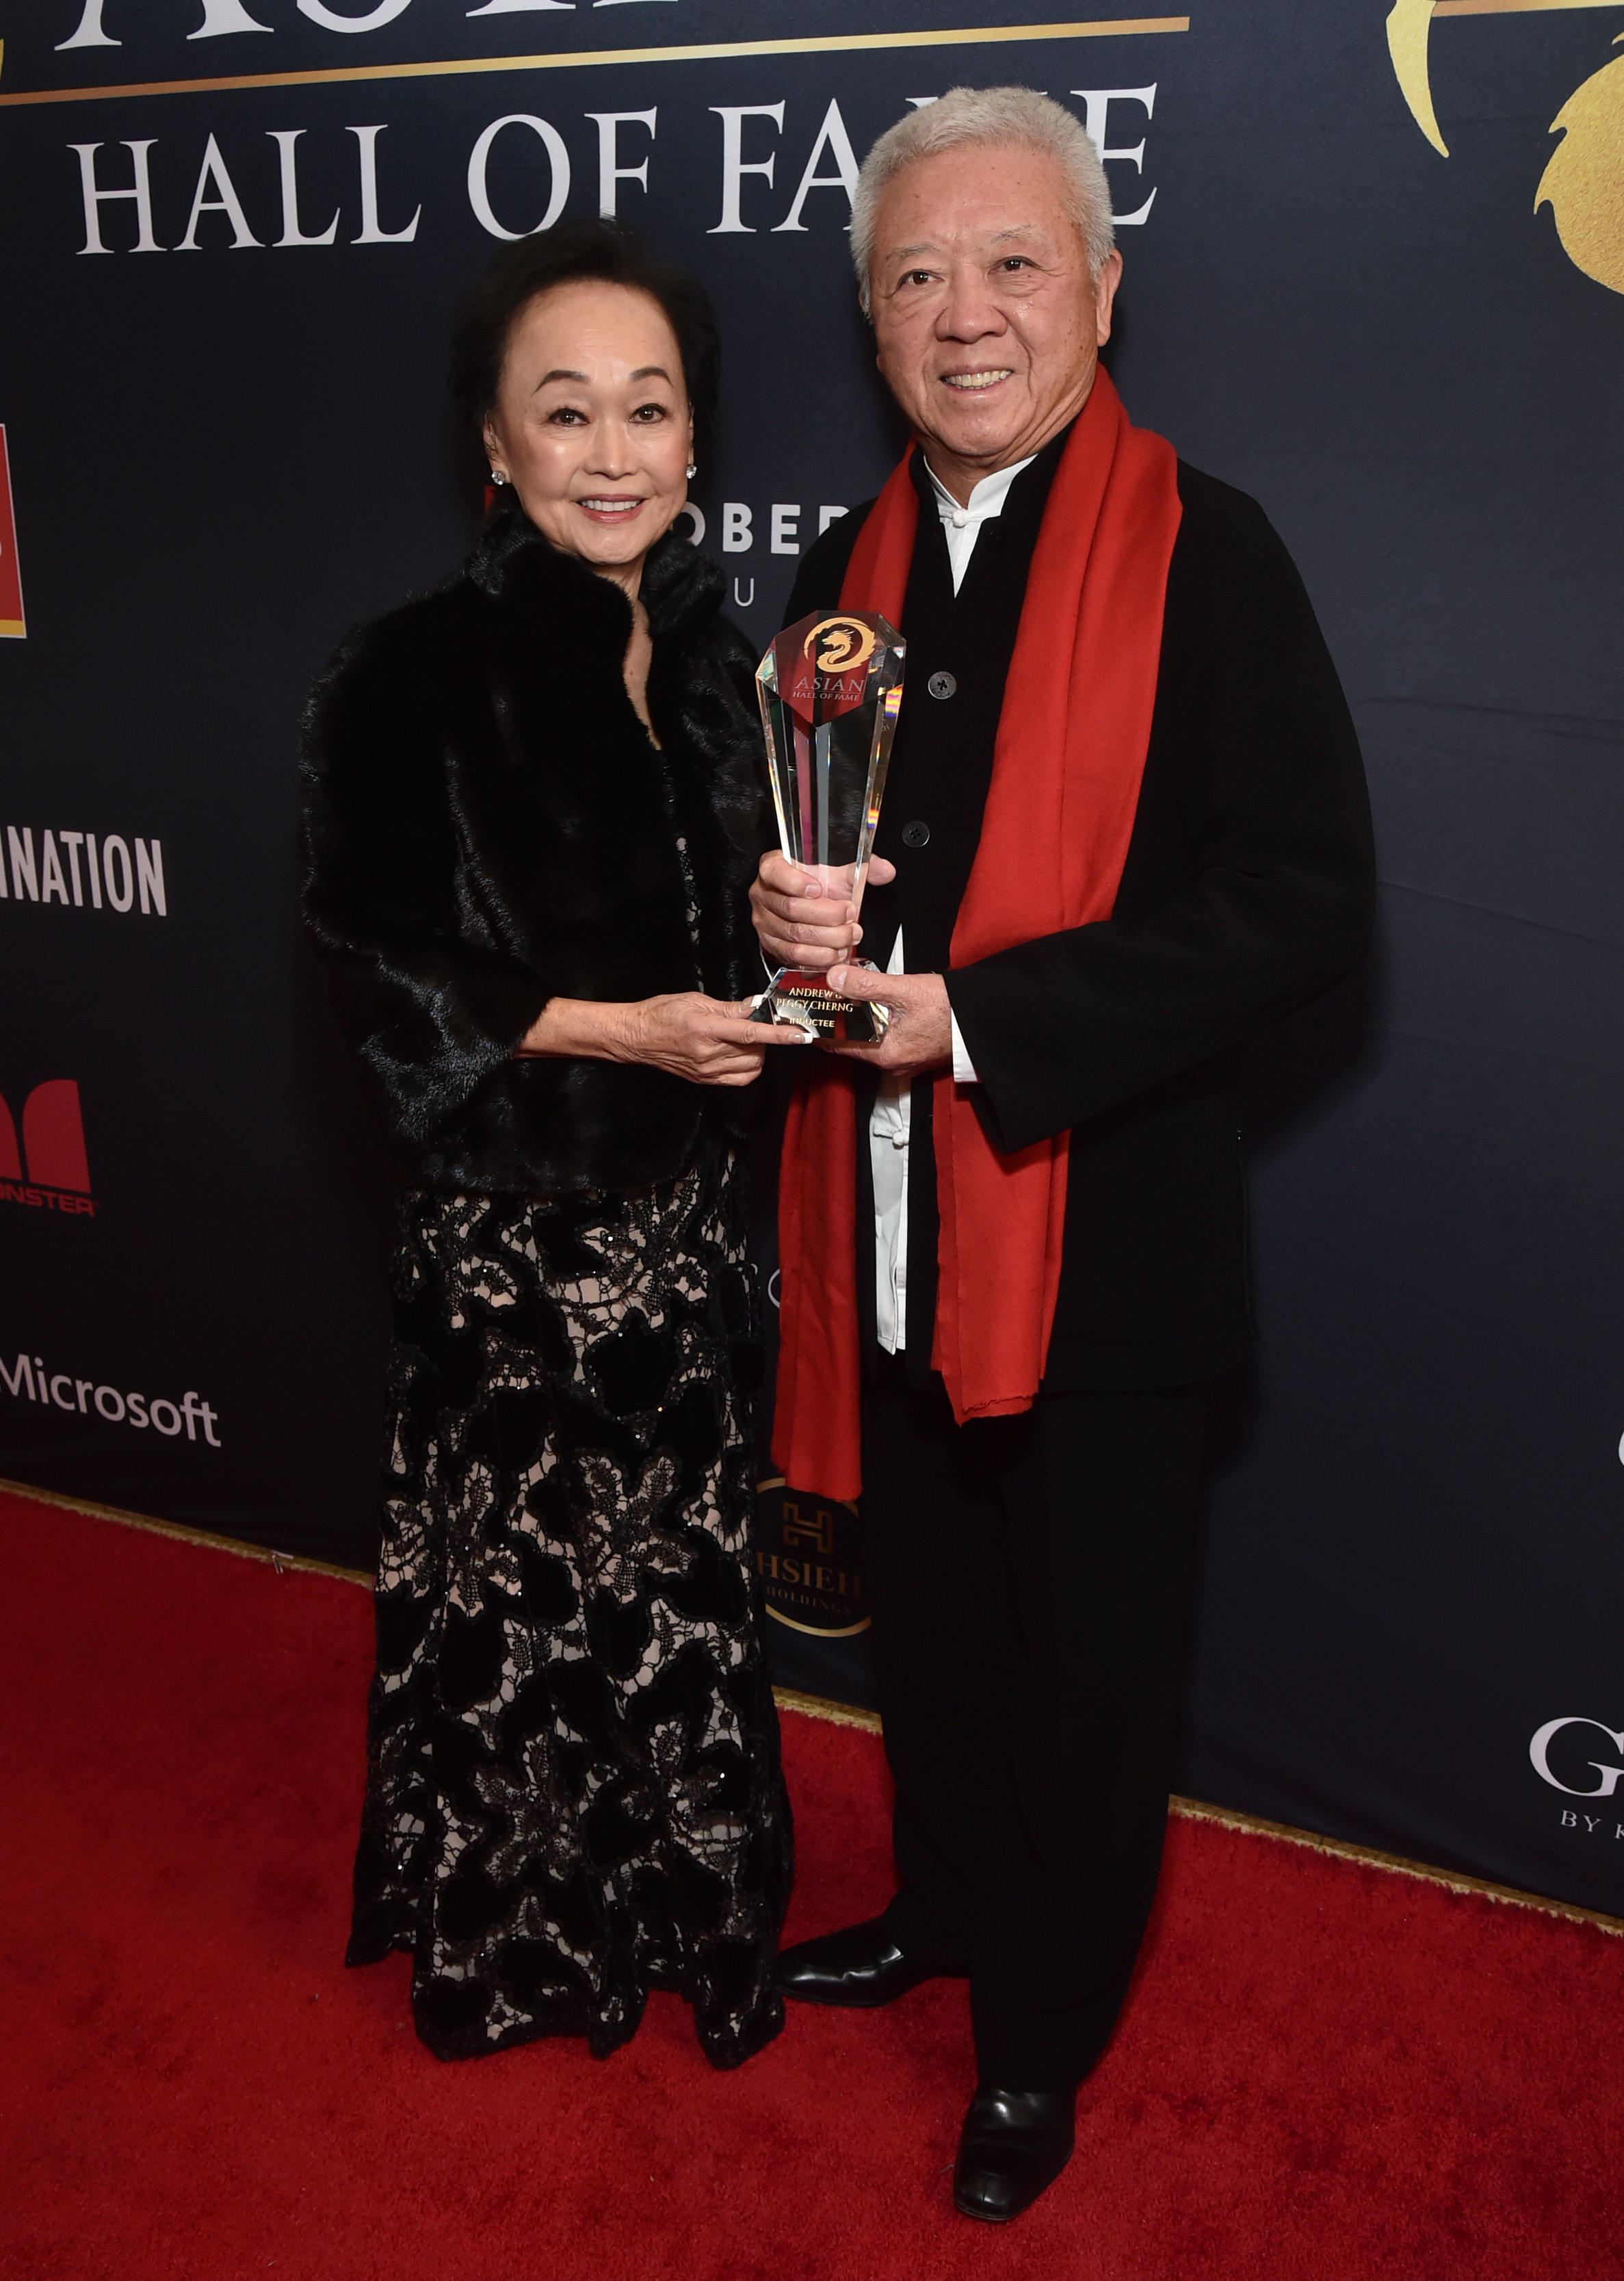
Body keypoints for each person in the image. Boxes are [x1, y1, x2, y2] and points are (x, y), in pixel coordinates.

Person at [752, 89, 1375, 2218]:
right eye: (917, 276)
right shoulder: (839, 583)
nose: (968, 315)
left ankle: (1038, 2035)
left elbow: (1304, 902)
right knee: (931, 1626)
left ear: (1105, 290)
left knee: (1090, 1667)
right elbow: (826, 857)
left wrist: (982, 1023)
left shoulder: (1213, 548)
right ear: (871, 322)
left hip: (1103, 1245)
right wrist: (784, 913)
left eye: (1014, 264)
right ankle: (942, 1909)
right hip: (888, 1219)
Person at [300, 220, 807, 2072]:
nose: (612, 452)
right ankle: (522, 1944)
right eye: (565, 410)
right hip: (512, 1254)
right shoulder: (408, 668)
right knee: (519, 1613)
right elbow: (370, 953)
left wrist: (800, 941)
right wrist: (620, 1030)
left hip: (685, 1234)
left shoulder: (726, 666)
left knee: (676, 1595)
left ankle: (681, 1916)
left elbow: (752, 930)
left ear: (696, 441)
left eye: (648, 409)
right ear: (495, 445)